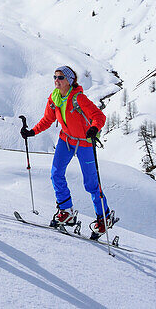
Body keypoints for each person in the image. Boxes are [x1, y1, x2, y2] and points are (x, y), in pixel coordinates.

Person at [20, 66, 115, 235]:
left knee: (91, 184)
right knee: (56, 174)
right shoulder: (54, 98)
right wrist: (32, 132)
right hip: (66, 140)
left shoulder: (79, 98)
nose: (57, 80)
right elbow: (47, 120)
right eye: (55, 77)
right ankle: (66, 212)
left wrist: (94, 128)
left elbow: (99, 117)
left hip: (85, 143)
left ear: (69, 80)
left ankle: (104, 218)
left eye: (61, 77)